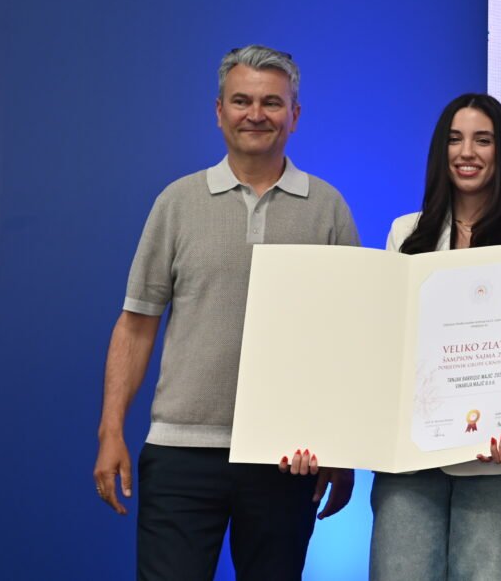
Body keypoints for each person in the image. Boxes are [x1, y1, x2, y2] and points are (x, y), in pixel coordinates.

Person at [92, 45, 359, 580]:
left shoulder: (327, 208)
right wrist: (110, 430)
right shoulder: (177, 202)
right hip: (180, 452)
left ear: (295, 115)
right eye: (241, 101)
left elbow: (348, 338)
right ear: (219, 111)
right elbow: (137, 325)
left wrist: (340, 445)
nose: (256, 114)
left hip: (286, 459)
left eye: (271, 103)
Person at [369, 93, 501, 580]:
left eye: (483, 140)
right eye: (455, 139)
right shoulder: (404, 234)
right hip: (411, 463)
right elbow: (388, 345)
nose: (467, 152)